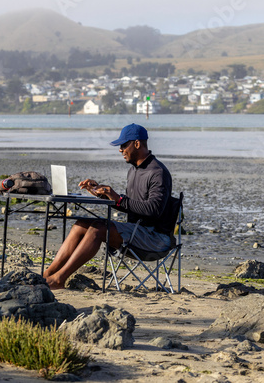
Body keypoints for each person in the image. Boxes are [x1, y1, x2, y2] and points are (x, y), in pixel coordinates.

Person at [43, 123, 174, 289]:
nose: (120, 150)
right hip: (135, 230)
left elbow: (153, 211)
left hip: (155, 238)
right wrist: (103, 194)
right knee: (82, 224)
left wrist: (118, 198)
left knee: (98, 228)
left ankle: (59, 279)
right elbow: (132, 206)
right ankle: (47, 275)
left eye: (123, 145)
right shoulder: (133, 171)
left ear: (137, 144)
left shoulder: (158, 173)